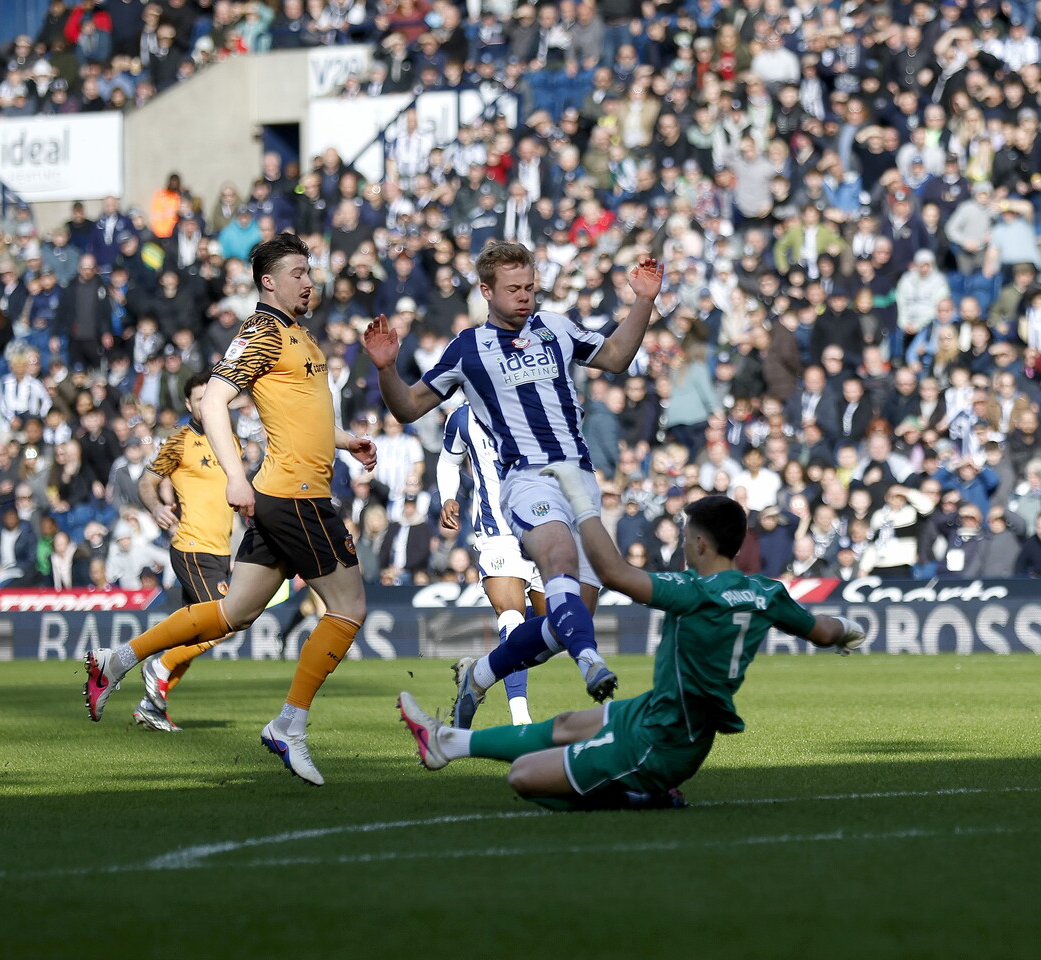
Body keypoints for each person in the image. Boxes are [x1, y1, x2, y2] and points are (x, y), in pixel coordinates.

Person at [82, 234, 377, 786]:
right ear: (268, 282)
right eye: (296, 273)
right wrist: (236, 477)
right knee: (349, 606)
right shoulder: (263, 330)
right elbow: (215, 399)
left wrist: (345, 440)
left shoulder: (296, 331)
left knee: (233, 614)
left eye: (308, 271)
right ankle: (289, 725)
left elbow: (301, 415)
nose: (308, 281)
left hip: (290, 490)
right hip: (295, 495)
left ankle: (116, 660)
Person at [399, 479, 865, 811]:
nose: (683, 542)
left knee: (524, 779)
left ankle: (644, 794)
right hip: (659, 713)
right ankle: (447, 743)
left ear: (699, 543)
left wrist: (581, 504)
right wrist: (847, 629)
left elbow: (613, 574)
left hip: (663, 744)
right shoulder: (767, 593)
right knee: (566, 723)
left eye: (685, 535)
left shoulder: (693, 591)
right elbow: (823, 630)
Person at [364, 245, 664, 726]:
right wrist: (384, 369)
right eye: (513, 289)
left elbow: (616, 356)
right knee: (559, 560)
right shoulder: (468, 348)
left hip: (580, 479)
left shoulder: (556, 327)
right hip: (526, 478)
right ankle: (592, 665)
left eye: (529, 287)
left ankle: (479, 675)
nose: (525, 297)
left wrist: (644, 300)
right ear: (486, 291)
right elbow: (408, 407)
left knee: (570, 622)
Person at [131, 372, 241, 733]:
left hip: (220, 549)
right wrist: (155, 508)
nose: (206, 404)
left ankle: (151, 707)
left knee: (193, 636)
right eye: (198, 399)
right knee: (223, 625)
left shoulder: (230, 440)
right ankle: (157, 667)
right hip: (193, 546)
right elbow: (146, 482)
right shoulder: (180, 442)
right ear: (189, 405)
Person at [437, 401, 544, 726]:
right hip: (496, 531)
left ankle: (479, 672)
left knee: (555, 630)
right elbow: (448, 461)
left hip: (544, 527)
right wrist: (447, 496)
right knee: (511, 616)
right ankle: (521, 720)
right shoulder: (463, 418)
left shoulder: (537, 403)